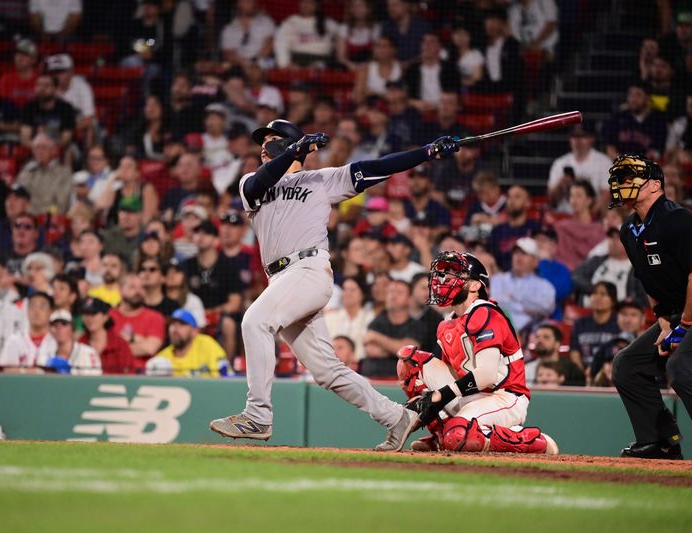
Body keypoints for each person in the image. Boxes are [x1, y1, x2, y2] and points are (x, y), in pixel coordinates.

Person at [209, 117, 461, 452]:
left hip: (309, 269)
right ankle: (397, 418)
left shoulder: (322, 180)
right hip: (281, 279)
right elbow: (261, 183)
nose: (262, 148)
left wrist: (427, 152)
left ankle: (258, 415)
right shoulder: (251, 183)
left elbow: (378, 166)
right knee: (327, 371)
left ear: (289, 143)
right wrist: (294, 150)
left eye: (270, 139)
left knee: (255, 321)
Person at [399, 251, 558, 454]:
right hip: (471, 394)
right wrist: (426, 398)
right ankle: (440, 436)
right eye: (444, 274)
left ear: (475, 285)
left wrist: (439, 396)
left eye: (455, 274)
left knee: (458, 437)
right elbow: (453, 373)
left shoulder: (485, 312)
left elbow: (486, 376)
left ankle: (534, 441)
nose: (445, 279)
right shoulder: (446, 324)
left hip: (504, 396)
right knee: (410, 361)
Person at [607, 154, 692, 458]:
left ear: (656, 185)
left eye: (630, 177)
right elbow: (648, 279)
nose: (622, 184)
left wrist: (684, 325)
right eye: (620, 177)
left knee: (680, 368)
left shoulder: (677, 219)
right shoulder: (628, 229)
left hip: (690, 313)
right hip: (675, 315)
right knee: (628, 365)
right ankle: (661, 443)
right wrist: (665, 322)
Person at [489, 237, 555, 333]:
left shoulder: (544, 286)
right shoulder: (498, 280)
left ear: (535, 261)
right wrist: (526, 308)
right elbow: (496, 304)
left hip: (529, 332)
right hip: (498, 330)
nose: (518, 257)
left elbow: (546, 307)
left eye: (524, 254)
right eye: (516, 253)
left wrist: (512, 298)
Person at [547, 123, 612, 213]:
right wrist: (560, 185)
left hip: (592, 216)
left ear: (592, 138)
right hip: (565, 215)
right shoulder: (560, 163)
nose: (578, 140)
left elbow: (606, 195)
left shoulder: (604, 162)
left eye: (582, 136)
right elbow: (551, 200)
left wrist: (588, 217)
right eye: (574, 136)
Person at [146, 309, 228, 378]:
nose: (175, 328)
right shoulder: (163, 358)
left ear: (195, 331)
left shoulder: (206, 345)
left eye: (182, 324)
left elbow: (224, 377)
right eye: (172, 323)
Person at [110, 273, 166, 370]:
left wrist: (130, 338)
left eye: (141, 288)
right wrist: (140, 340)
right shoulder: (108, 316)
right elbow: (101, 347)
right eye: (132, 287)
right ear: (120, 290)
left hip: (143, 375)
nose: (138, 291)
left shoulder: (155, 317)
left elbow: (150, 348)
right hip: (112, 372)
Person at [273, 0, 340, 68]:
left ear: (316, 6)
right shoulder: (290, 22)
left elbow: (342, 36)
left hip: (324, 61)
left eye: (310, 2)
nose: (306, 5)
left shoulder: (328, 22)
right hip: (298, 60)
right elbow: (281, 44)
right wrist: (285, 64)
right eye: (304, 2)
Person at [0, 291, 56, 370]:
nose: (36, 311)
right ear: (27, 310)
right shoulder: (14, 340)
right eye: (32, 306)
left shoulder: (57, 341)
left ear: (51, 311)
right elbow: (5, 371)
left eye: (42, 307)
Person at [78, 297, 136, 375]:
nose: (89, 318)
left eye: (93, 313)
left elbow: (129, 375)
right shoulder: (80, 343)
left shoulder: (120, 345)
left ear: (106, 317)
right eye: (86, 314)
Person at [37, 310, 101, 375]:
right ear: (50, 329)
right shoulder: (44, 354)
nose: (59, 328)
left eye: (64, 324)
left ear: (72, 327)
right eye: (55, 325)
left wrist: (69, 372)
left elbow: (95, 378)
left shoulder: (88, 352)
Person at [525, 322, 585, 386]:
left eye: (546, 337)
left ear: (557, 344)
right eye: (537, 337)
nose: (539, 340)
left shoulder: (572, 370)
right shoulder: (525, 368)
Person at [220, 0, 276, 69]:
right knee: (226, 68)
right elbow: (228, 54)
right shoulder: (229, 29)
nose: (249, 4)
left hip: (263, 62)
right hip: (239, 65)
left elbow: (268, 46)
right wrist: (243, 62)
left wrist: (254, 63)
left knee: (269, 63)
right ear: (238, 4)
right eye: (246, 1)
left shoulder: (266, 22)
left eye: (251, 1)